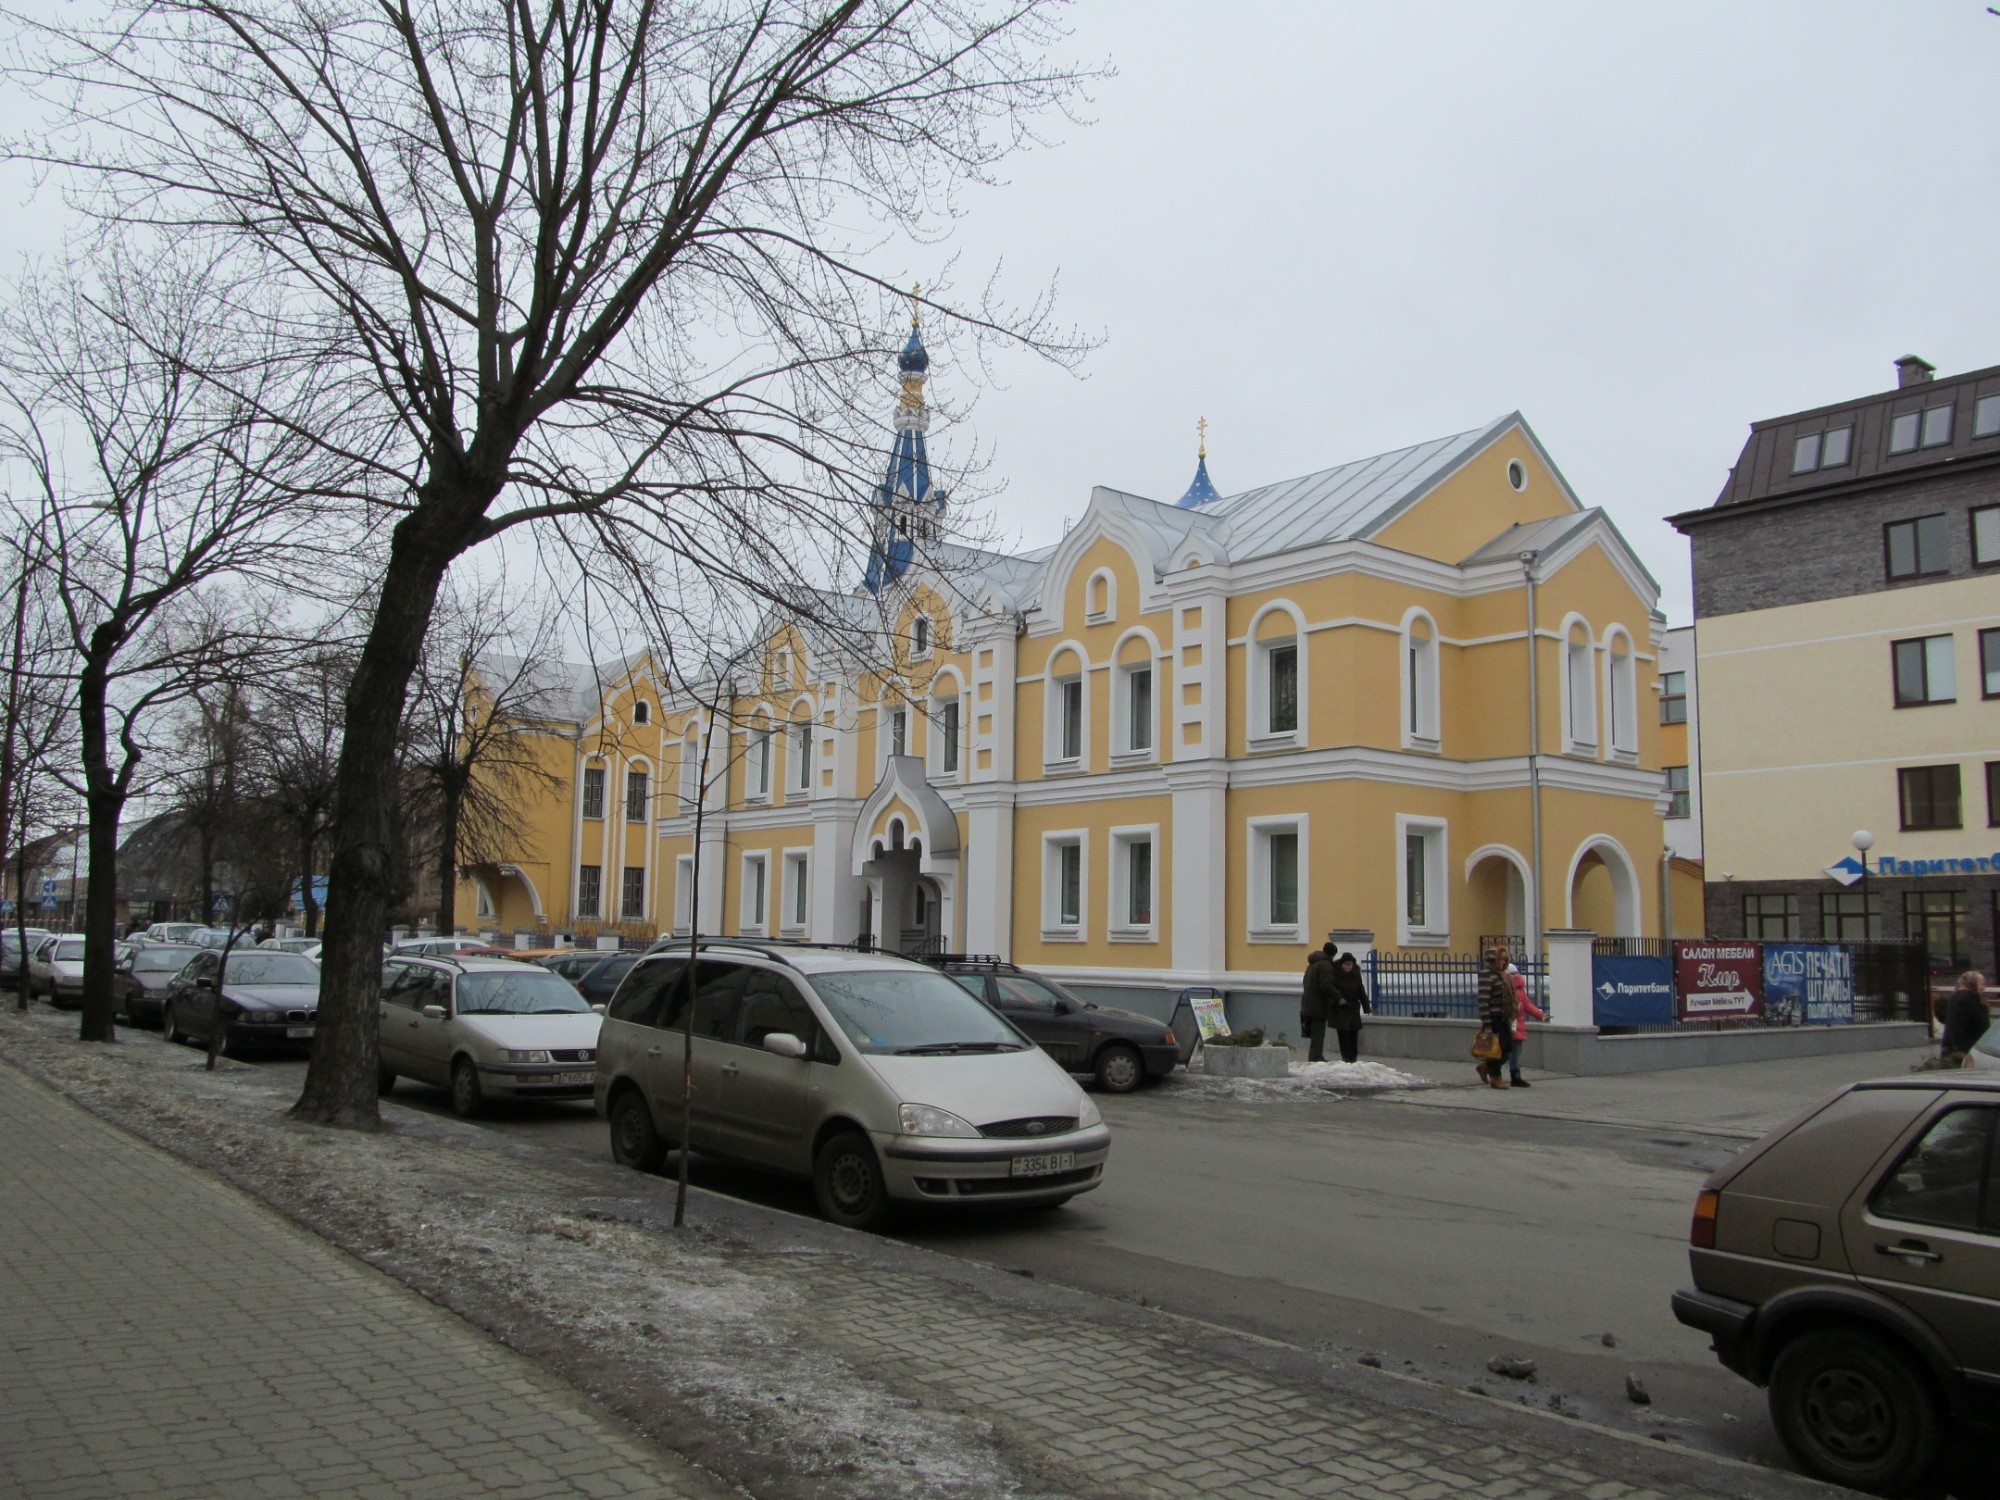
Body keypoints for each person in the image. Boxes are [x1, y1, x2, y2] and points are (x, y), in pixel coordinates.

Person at [1500, 948, 1545, 1088]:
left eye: (1516, 973)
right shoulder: (1504, 989)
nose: (1515, 976)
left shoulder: (1520, 991)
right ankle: (1491, 1068)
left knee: (1516, 1053)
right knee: (1506, 1052)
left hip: (1518, 1027)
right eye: (1511, 974)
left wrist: (1541, 1015)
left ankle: (1515, 1076)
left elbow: (1528, 1006)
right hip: (1507, 1026)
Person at [1478, 946, 1517, 1089]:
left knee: (1507, 1047)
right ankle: (1495, 1077)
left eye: (1505, 959)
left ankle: (1485, 1067)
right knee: (1496, 1049)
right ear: (1492, 960)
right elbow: (1483, 999)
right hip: (1493, 1017)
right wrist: (1487, 1022)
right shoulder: (1486, 974)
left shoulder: (1502, 975)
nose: (1503, 962)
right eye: (1500, 959)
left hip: (1503, 1016)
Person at [1328, 951, 1371, 1064]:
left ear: (1352, 965)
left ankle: (1353, 1058)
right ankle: (1346, 1058)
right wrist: (1339, 1000)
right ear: (1342, 965)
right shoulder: (1336, 975)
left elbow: (1361, 991)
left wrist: (1366, 1007)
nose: (1348, 967)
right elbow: (1332, 989)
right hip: (1341, 1009)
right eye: (1346, 964)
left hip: (1353, 1008)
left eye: (1350, 964)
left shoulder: (1356, 975)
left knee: (1353, 1034)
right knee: (1343, 1035)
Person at [1941, 971, 1991, 1067]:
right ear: (1972, 983)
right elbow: (1956, 1028)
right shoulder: (1963, 998)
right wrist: (1961, 1051)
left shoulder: (1974, 997)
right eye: (1982, 984)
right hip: (1962, 1053)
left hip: (1973, 1050)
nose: (1984, 987)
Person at [1300, 942, 1335, 1063]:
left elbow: (1305, 982)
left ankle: (1314, 1055)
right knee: (1318, 1033)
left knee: (1315, 1033)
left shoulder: (1312, 964)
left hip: (1308, 1002)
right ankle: (1316, 1057)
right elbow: (1326, 985)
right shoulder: (1325, 965)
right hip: (1318, 1004)